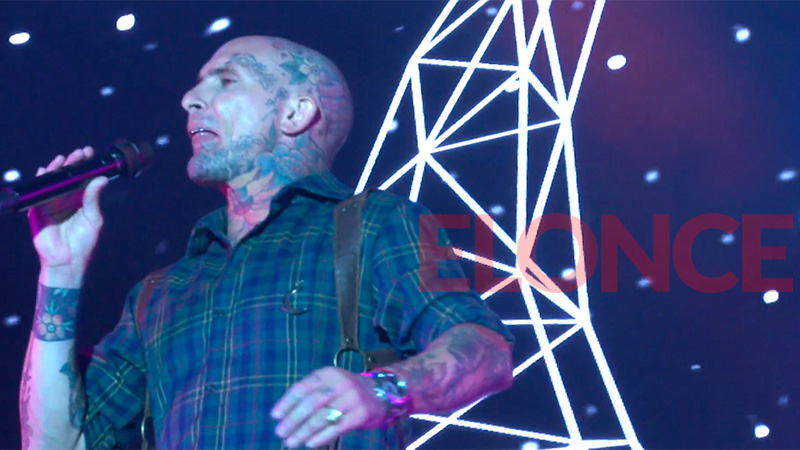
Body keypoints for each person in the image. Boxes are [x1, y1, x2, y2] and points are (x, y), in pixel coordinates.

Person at [19, 35, 514, 449]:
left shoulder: (374, 224)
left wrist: (384, 390)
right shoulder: (163, 291)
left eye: (226, 80)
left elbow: (487, 351)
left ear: (295, 112)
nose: (190, 99)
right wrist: (60, 271)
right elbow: (57, 444)